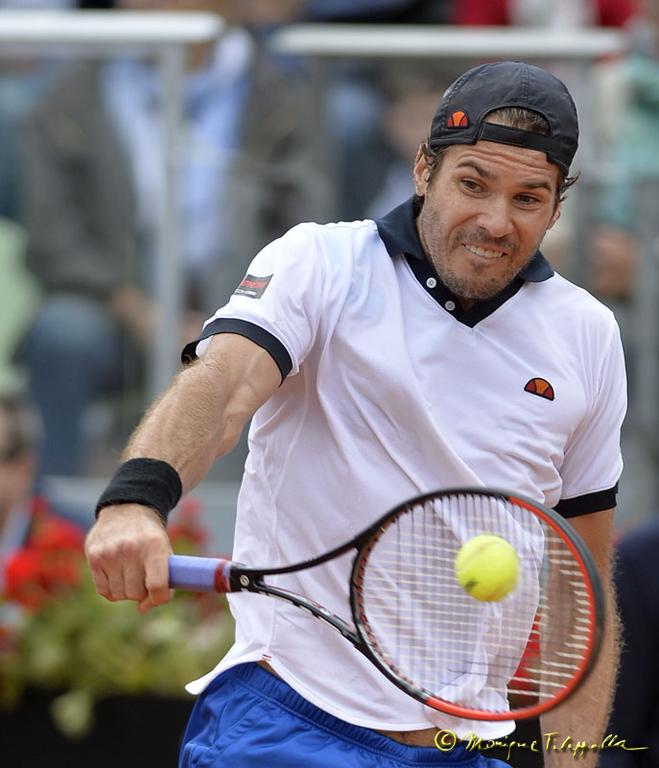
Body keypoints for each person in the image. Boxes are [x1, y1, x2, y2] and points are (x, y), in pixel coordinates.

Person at [85, 61, 627, 768]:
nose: (496, 221)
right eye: (473, 184)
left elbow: (577, 591)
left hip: (461, 748)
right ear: (423, 169)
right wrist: (136, 499)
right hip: (285, 727)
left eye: (528, 198)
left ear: (556, 210)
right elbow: (223, 386)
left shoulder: (587, 334)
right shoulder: (320, 263)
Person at [16, 0, 329, 482]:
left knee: (274, 347)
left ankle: (241, 512)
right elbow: (52, 234)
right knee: (62, 334)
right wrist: (135, 307)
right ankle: (55, 513)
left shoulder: (284, 90)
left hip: (249, 297)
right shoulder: (72, 93)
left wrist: (236, 314)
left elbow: (306, 220)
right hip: (117, 306)